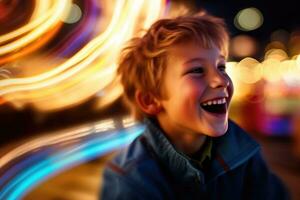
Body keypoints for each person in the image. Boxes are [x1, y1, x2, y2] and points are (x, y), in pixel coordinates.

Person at [100, 11, 290, 199]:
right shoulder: (130, 181)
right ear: (151, 100)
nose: (221, 80)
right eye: (197, 70)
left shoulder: (243, 153)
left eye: (221, 67)